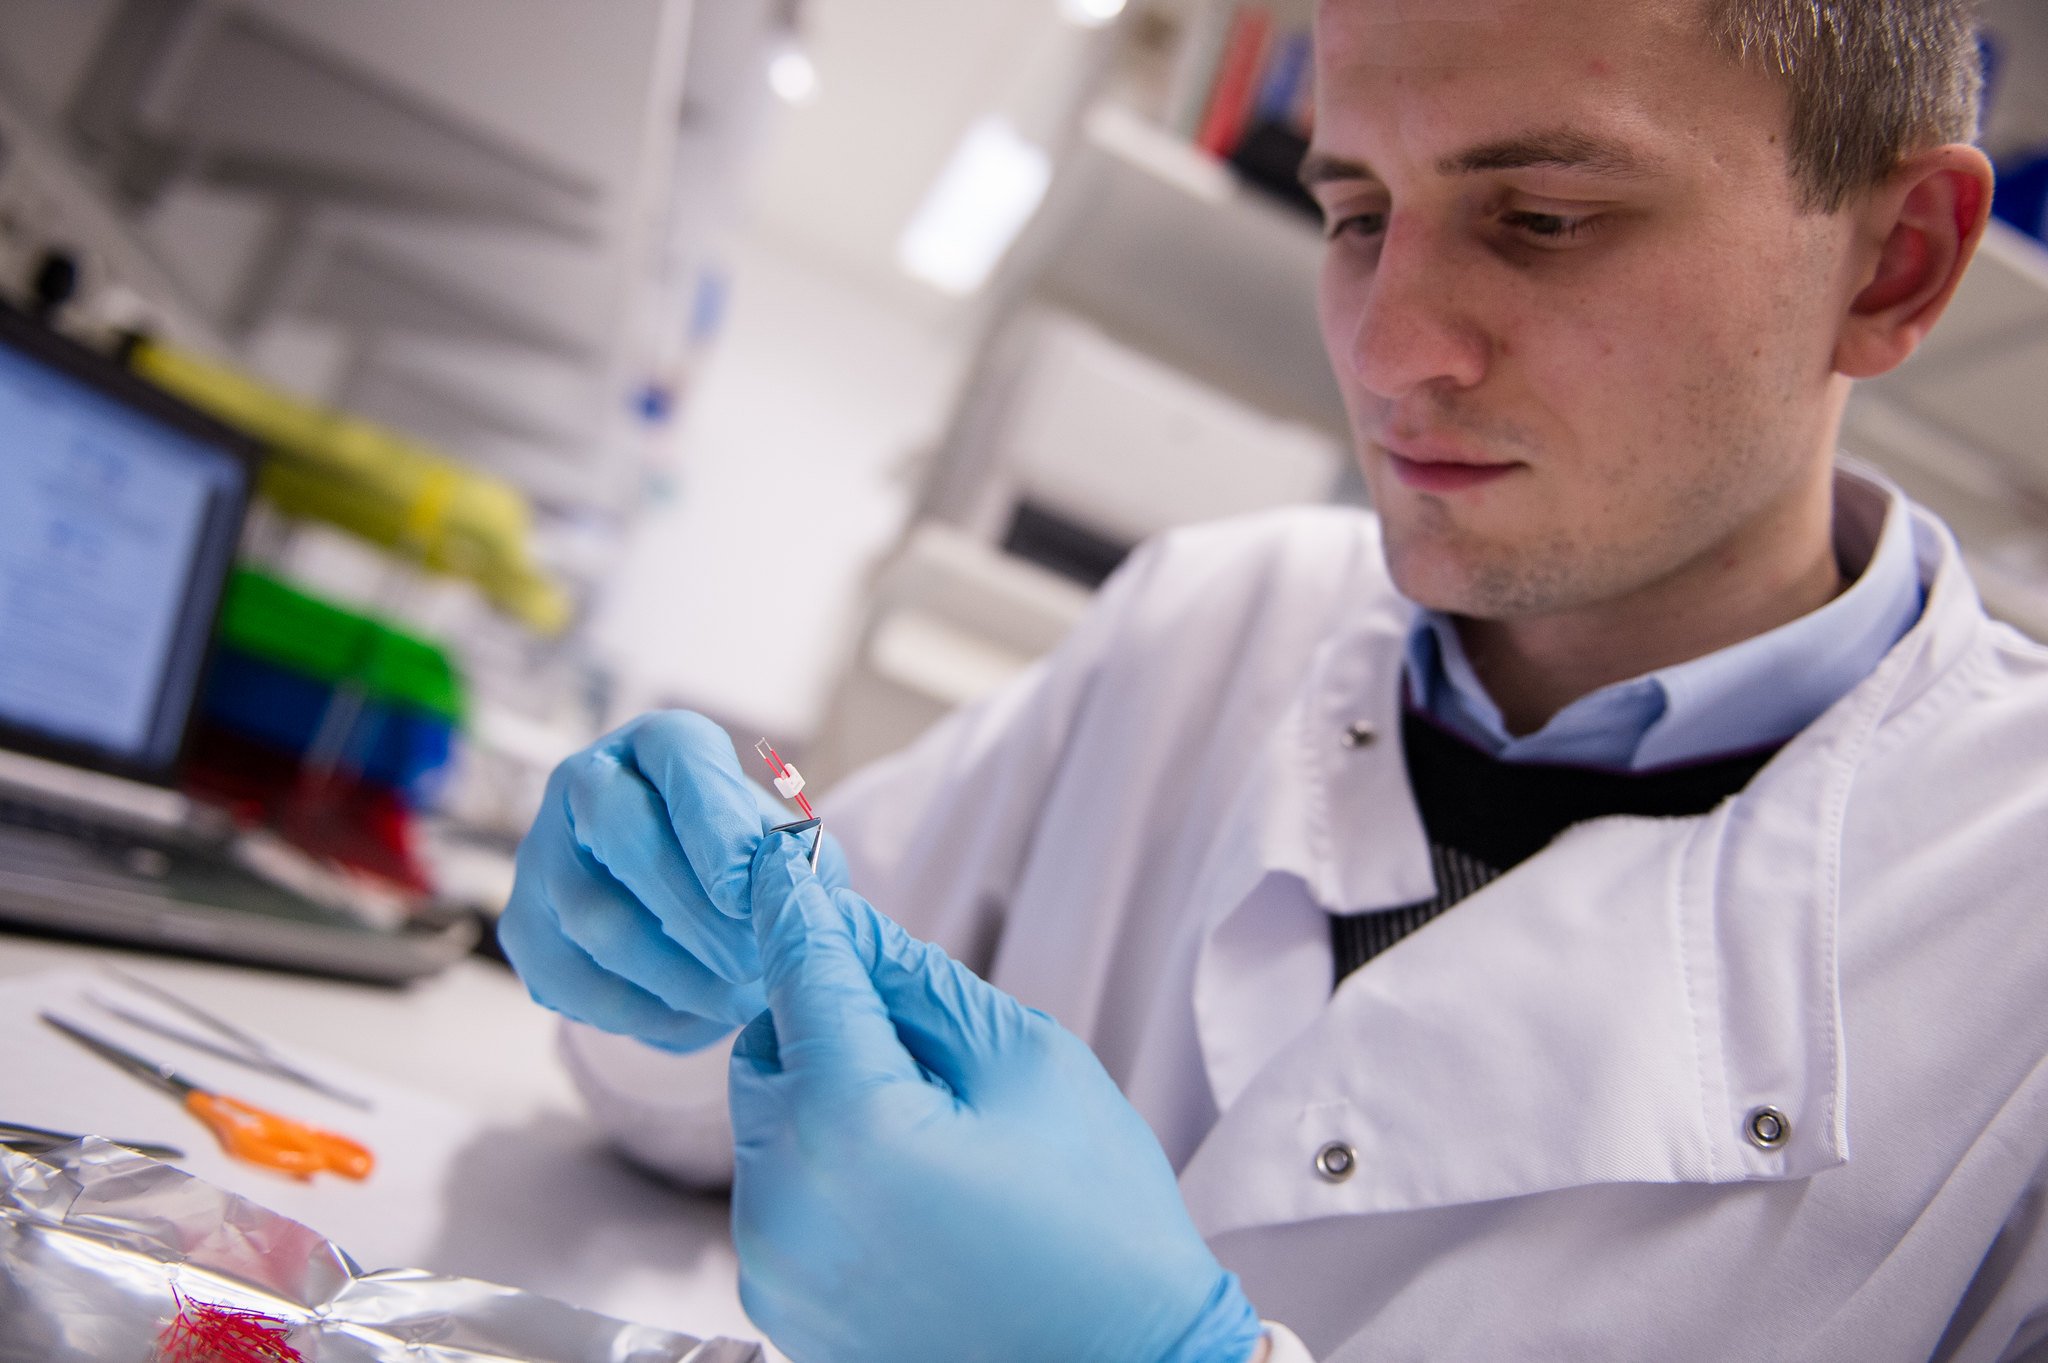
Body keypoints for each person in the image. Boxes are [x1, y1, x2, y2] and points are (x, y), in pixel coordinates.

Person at [498, 0, 2048, 1358]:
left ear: (1890, 265)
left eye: (1546, 218)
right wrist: (673, 934)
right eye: (1359, 211)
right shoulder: (1212, 616)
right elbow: (684, 1102)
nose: (1386, 350)